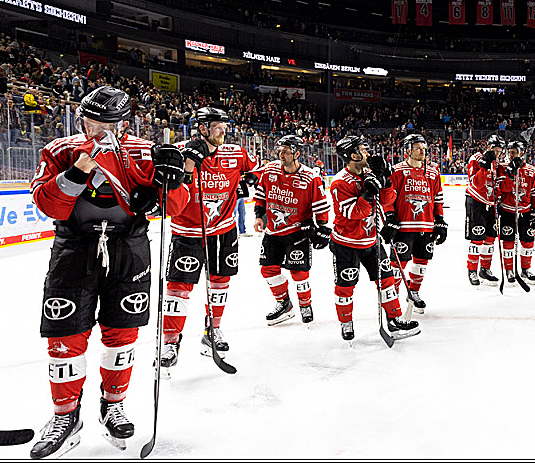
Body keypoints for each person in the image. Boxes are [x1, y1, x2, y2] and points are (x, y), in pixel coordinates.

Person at [28, 85, 188, 458]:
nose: (96, 127)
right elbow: (46, 203)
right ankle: (65, 417)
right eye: (90, 119)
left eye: (106, 122)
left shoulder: (146, 152)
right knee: (65, 335)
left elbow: (176, 208)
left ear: (125, 123)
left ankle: (112, 404)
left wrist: (172, 180)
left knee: (123, 332)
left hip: (128, 248)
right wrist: (78, 172)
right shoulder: (60, 149)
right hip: (74, 246)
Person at [159, 107, 258, 366]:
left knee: (219, 282)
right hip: (188, 232)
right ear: (202, 128)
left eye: (225, 127)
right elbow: (168, 189)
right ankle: (170, 341)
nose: (223, 131)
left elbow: (255, 170)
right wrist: (188, 165)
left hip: (224, 230)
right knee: (179, 286)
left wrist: (248, 182)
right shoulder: (180, 151)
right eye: (217, 127)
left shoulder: (235, 152)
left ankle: (212, 330)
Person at [329, 135, 419, 341]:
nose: (368, 153)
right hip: (347, 244)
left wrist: (384, 180)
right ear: (353, 155)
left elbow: (388, 199)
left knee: (387, 280)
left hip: (372, 240)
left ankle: (395, 320)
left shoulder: (369, 173)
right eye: (363, 149)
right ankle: (346, 322)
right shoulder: (340, 182)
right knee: (345, 286)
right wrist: (369, 191)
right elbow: (354, 212)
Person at [252, 135, 331, 325]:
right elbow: (261, 194)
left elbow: (320, 205)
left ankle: (305, 304)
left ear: (297, 153)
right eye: (280, 150)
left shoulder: (310, 177)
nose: (281, 154)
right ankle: (284, 304)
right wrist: (258, 215)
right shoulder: (270, 170)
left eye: (286, 151)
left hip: (297, 232)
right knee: (268, 270)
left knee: (299, 273)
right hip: (273, 231)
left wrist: (322, 227)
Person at [383, 133, 447, 315]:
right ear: (408, 150)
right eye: (418, 148)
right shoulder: (397, 171)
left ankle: (414, 292)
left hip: (426, 226)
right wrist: (390, 217)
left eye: (424, 148)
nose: (422, 151)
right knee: (397, 265)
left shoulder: (433, 171)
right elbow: (388, 197)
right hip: (404, 227)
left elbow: (438, 198)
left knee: (421, 263)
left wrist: (440, 219)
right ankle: (392, 298)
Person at [496, 140, 535, 284]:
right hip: (508, 210)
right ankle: (509, 270)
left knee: (528, 241)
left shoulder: (531, 170)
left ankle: (525, 269)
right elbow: (503, 189)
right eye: (509, 152)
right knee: (508, 242)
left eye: (513, 152)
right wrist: (510, 174)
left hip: (525, 212)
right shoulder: (502, 167)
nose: (510, 155)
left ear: (521, 153)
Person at [464, 135, 506, 286]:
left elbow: (499, 184)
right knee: (477, 239)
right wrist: (484, 167)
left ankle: (485, 269)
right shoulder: (475, 159)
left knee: (490, 238)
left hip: (492, 203)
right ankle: (472, 270)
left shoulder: (497, 163)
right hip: (476, 202)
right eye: (494, 150)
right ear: (488, 147)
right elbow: (476, 184)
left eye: (499, 151)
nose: (497, 153)